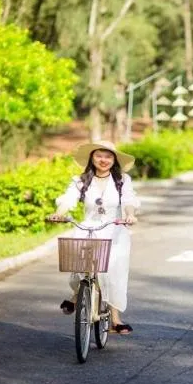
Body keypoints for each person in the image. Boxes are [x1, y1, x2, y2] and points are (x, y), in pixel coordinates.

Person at [49, 141, 140, 335]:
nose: (103, 160)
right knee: (80, 266)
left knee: (112, 271)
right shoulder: (80, 180)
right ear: (92, 157)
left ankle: (115, 319)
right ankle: (78, 295)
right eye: (99, 155)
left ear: (114, 159)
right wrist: (59, 213)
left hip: (114, 229)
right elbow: (68, 199)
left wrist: (129, 215)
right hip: (88, 227)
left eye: (108, 156)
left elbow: (128, 200)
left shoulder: (122, 180)